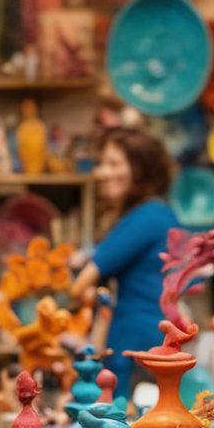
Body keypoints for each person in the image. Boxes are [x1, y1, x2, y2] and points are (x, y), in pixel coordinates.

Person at [70, 128, 179, 397]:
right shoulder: (159, 214)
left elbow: (81, 283)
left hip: (135, 350)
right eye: (102, 163)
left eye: (114, 164)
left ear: (140, 169)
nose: (101, 172)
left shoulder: (147, 216)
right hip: (147, 345)